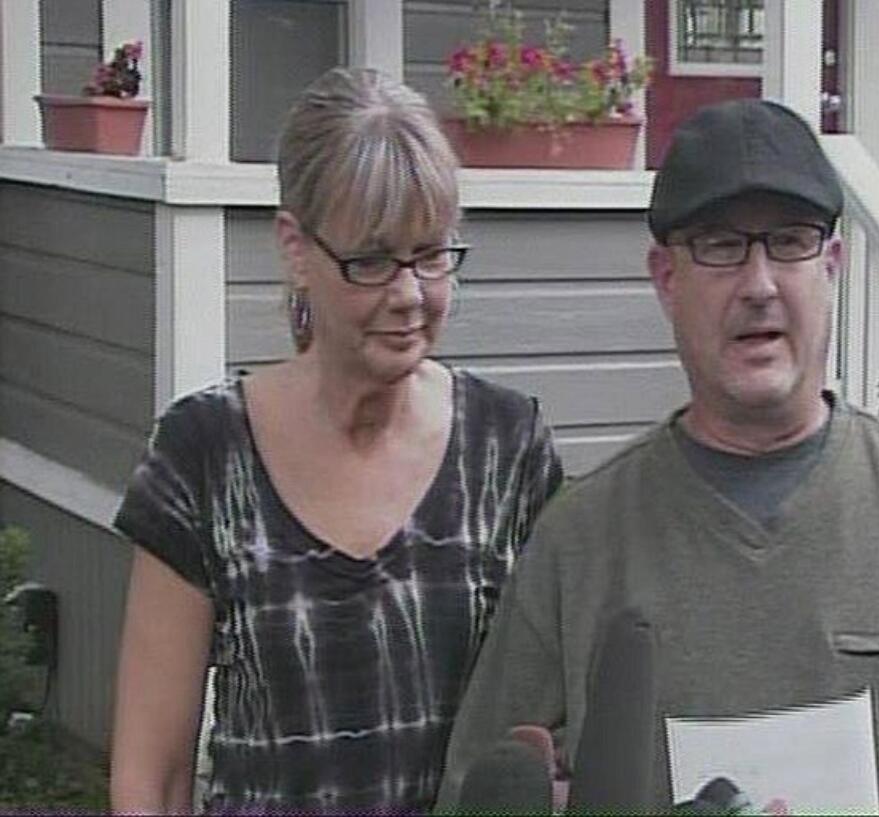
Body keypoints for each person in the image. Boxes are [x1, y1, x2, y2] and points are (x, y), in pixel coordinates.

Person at [436, 98, 879, 814]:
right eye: (719, 245)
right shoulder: (577, 546)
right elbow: (481, 786)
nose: (758, 283)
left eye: (789, 241)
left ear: (832, 266)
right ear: (666, 279)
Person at [108, 67, 563, 814]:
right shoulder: (204, 454)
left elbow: (550, 726)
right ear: (295, 247)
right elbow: (149, 779)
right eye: (373, 260)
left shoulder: (506, 449)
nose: (410, 294)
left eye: (431, 254)